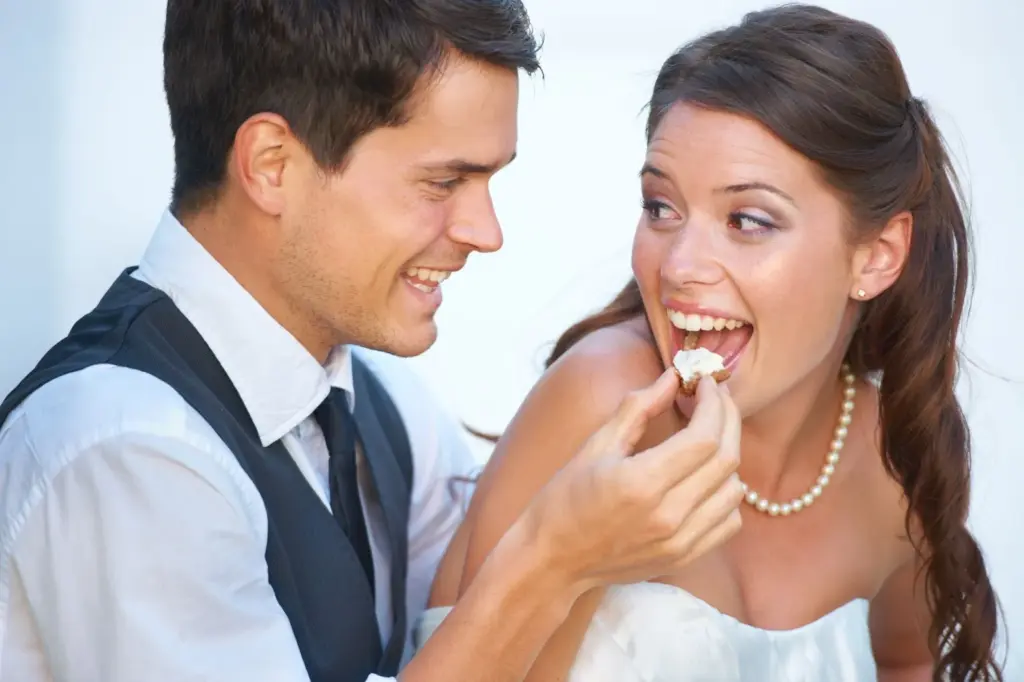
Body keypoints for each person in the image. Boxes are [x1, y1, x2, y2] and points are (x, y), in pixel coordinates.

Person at [0, 1, 749, 682]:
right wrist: (555, 558)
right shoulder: (125, 448)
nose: (485, 233)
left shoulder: (380, 407)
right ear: (272, 165)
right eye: (442, 183)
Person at [417, 5, 1004, 681]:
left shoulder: (886, 457)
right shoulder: (599, 408)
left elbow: (909, 661)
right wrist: (569, 558)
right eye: (661, 208)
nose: (678, 267)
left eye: (748, 220)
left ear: (876, 256)